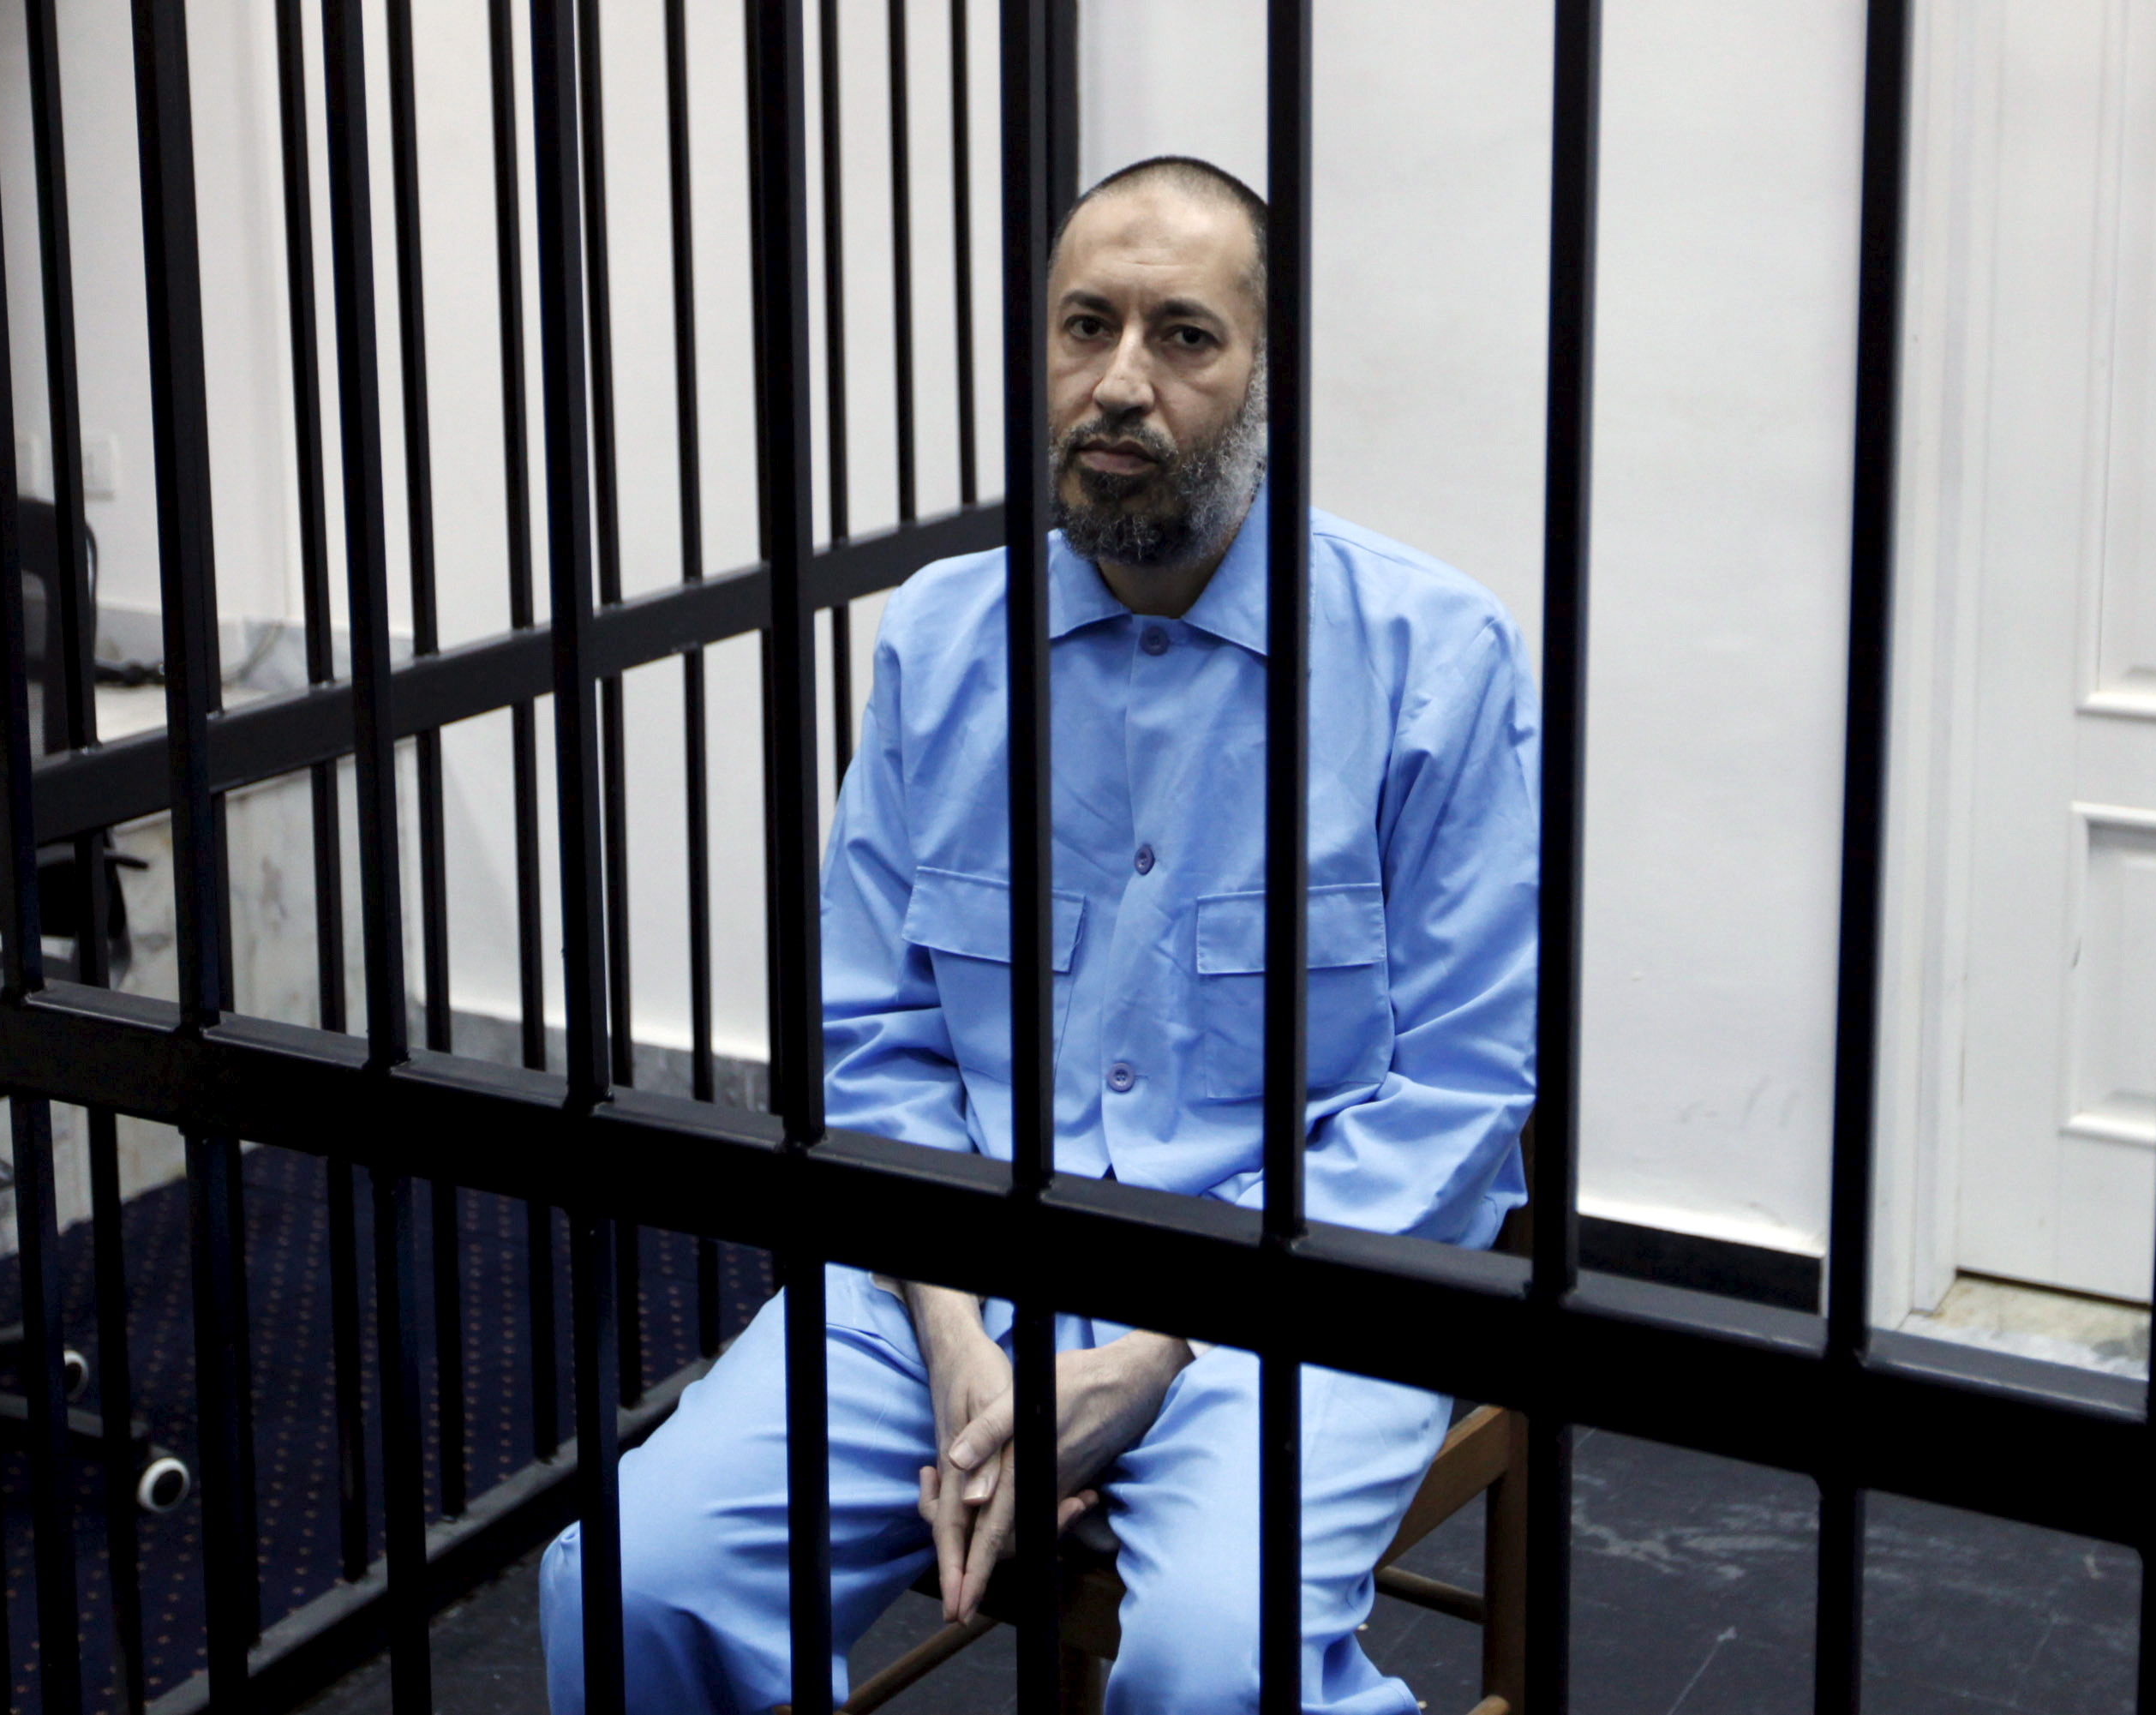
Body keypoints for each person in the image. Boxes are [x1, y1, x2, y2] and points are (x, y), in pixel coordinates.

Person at [540, 156, 1538, 1712]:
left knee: (1213, 1667)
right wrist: (956, 1332)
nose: (1120, 382)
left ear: (1269, 373)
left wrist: (1155, 1351)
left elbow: (1458, 1102)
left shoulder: (1433, 659)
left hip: (1285, 1305)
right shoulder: (945, 641)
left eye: (1185, 336)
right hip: (943, 1274)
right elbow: (871, 1039)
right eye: (1087, 325)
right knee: (621, 1584)